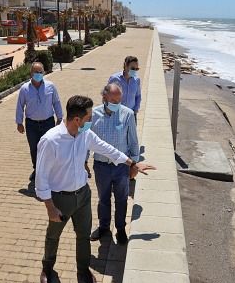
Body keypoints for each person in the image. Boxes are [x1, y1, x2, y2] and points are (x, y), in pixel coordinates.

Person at [35, 95, 154, 283]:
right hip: (60, 198)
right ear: (77, 120)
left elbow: (106, 148)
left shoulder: (85, 134)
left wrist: (132, 162)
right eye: (89, 117)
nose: (91, 120)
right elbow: (41, 177)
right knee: (53, 236)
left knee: (83, 235)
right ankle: (47, 269)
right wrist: (50, 207)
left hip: (82, 195)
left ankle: (83, 271)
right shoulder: (50, 141)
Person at [88, 84, 139, 244]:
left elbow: (133, 142)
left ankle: (121, 229)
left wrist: (134, 166)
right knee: (103, 198)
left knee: (121, 199)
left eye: (119, 100)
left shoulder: (128, 114)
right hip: (101, 166)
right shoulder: (94, 115)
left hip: (121, 167)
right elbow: (86, 140)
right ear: (104, 97)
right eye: (112, 100)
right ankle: (104, 227)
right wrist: (83, 160)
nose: (116, 103)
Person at [16, 62, 63, 181]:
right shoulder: (25, 89)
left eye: (40, 72)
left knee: (50, 147)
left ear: (44, 72)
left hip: (48, 122)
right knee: (34, 148)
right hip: (32, 124)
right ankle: (37, 169)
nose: (38, 74)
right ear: (31, 73)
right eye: (35, 72)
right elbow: (20, 106)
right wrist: (19, 122)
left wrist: (60, 117)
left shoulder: (50, 86)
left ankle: (50, 170)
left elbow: (56, 102)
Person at [107, 56, 141, 122]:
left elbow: (138, 96)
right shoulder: (114, 79)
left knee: (132, 132)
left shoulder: (137, 80)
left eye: (137, 69)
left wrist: (136, 109)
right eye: (133, 68)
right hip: (117, 115)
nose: (135, 71)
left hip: (131, 115)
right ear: (125, 66)